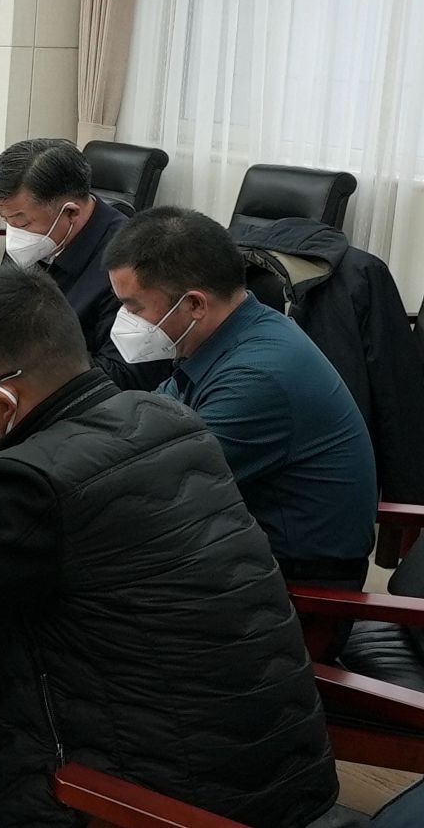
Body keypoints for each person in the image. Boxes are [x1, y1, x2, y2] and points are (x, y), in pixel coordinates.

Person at [0, 265, 337, 826]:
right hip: (277, 768)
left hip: (147, 803)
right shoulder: (167, 418)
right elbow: (93, 522)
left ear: (3, 399)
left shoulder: (35, 485)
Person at [102, 207, 377, 588]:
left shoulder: (256, 377)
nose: (125, 318)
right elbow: (147, 421)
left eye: (133, 307)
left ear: (195, 304)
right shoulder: (229, 334)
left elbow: (157, 485)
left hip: (293, 587)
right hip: (242, 546)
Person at [0, 139, 170, 391]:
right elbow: (4, 307)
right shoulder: (39, 238)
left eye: (21, 223)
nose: (15, 233)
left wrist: (22, 352)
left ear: (71, 212)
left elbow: (123, 376)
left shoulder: (130, 266)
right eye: (8, 222)